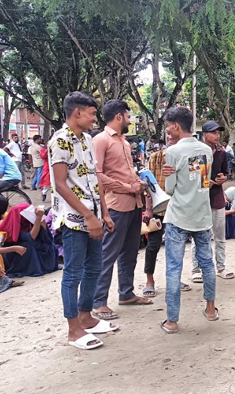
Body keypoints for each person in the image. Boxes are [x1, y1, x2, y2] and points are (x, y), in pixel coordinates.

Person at [50, 92, 117, 350]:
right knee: (73, 272)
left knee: (94, 268)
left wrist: (104, 213)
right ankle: (73, 330)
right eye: (91, 113)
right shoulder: (60, 141)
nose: (94, 118)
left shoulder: (87, 139)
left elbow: (94, 178)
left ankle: (86, 317)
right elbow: (60, 184)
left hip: (94, 216)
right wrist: (89, 216)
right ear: (77, 113)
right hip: (74, 219)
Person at [160, 106, 218, 334]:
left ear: (175, 125)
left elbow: (170, 189)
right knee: (207, 263)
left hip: (179, 216)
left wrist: (168, 177)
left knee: (174, 268)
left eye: (167, 126)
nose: (167, 130)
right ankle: (211, 309)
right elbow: (205, 181)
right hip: (202, 215)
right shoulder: (206, 150)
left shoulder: (172, 152)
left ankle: (172, 320)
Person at [92, 100, 150, 320]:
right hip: (115, 206)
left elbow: (124, 172)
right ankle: (99, 302)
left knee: (129, 253)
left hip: (134, 204)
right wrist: (128, 187)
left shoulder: (124, 142)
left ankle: (126, 293)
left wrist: (139, 182)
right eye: (128, 116)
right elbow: (97, 175)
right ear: (118, 116)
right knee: (108, 254)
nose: (130, 120)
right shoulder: (101, 140)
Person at [142, 138, 191, 299]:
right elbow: (147, 184)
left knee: (176, 248)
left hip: (178, 208)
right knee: (153, 246)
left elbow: (193, 182)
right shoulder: (155, 157)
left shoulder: (188, 157)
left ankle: (175, 280)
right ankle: (150, 280)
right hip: (159, 208)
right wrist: (148, 208)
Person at [191, 121, 231, 282]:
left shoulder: (222, 152)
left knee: (220, 235)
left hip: (217, 198)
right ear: (205, 134)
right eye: (214, 132)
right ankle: (196, 268)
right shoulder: (196, 151)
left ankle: (221, 267)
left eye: (218, 133)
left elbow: (225, 172)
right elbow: (193, 174)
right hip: (200, 198)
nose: (217, 136)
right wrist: (206, 181)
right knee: (199, 235)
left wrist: (223, 178)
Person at [0, 202, 58, 278]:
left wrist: (42, 219)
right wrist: (38, 219)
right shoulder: (10, 226)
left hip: (27, 246)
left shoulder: (28, 223)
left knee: (49, 245)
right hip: (14, 254)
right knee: (28, 246)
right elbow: (31, 238)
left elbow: (46, 237)